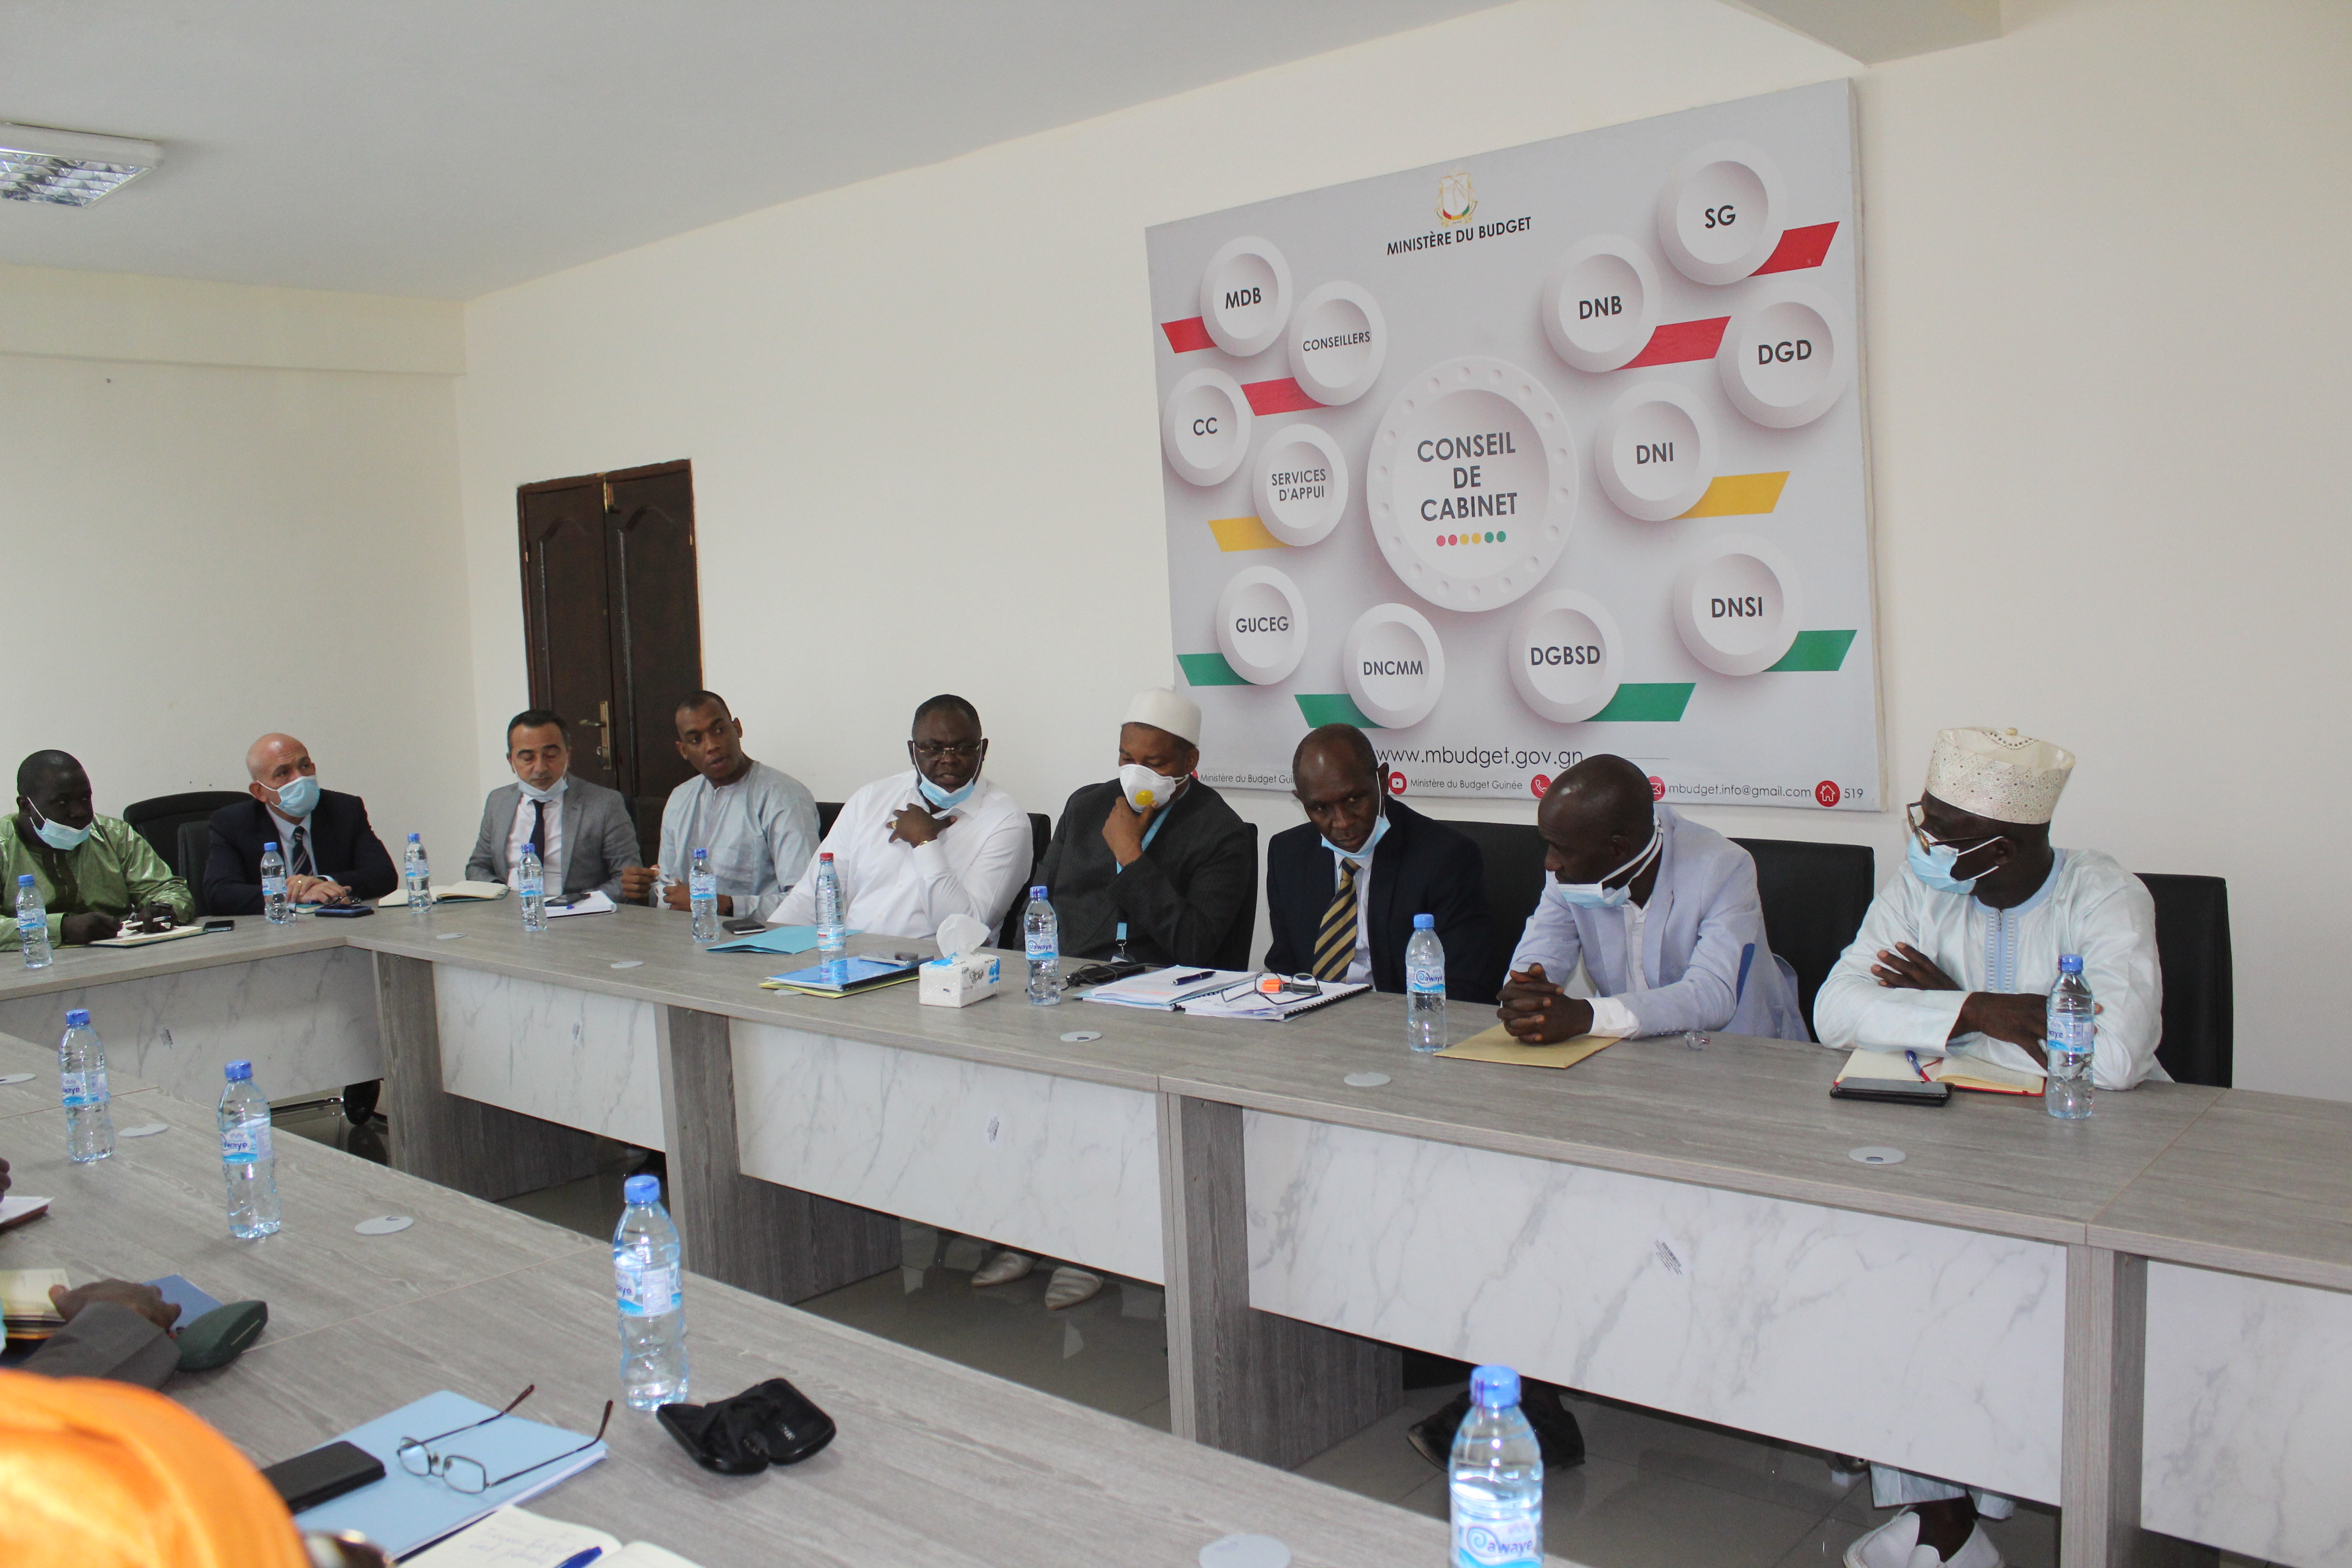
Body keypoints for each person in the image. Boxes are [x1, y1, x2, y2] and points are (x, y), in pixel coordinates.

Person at [1816, 726, 2161, 1568]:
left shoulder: (2104, 895)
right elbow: (1833, 1012)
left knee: (1997, 1296)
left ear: (2000, 848)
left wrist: (1944, 1017)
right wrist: (1977, 1011)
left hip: (2097, 1157)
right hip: (1951, 1141)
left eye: (1941, 831)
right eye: (1925, 821)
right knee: (1890, 1262)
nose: (1922, 842)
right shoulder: (1918, 888)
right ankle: (1941, 1515)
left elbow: (2110, 1059)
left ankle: (1966, 1513)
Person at [1494, 753, 1808, 1047]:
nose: (1550, 863)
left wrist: (1586, 1016)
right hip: (1627, 1049)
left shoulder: (1723, 868)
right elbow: (1542, 950)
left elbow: (1713, 994)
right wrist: (1527, 994)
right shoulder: (1568, 870)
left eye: (1561, 850)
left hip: (1738, 1053)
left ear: (1618, 848)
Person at [1263, 723, 1496, 1001]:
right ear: (1302, 801)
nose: (1343, 822)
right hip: (1314, 1018)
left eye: (1354, 800)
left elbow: (1465, 988)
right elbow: (1285, 970)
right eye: (1321, 808)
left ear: (1382, 781)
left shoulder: (1445, 859)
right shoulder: (1287, 854)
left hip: (1403, 1018)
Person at [769, 695, 1031, 941]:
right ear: (913, 752)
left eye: (963, 748)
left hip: (934, 967)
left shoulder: (1007, 823)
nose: (949, 759)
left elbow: (966, 931)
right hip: (848, 957)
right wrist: (767, 950)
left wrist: (925, 843)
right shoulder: (871, 799)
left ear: (982, 750)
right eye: (934, 748)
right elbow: (811, 898)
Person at [1032, 688, 1255, 968]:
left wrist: (1132, 858)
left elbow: (1196, 946)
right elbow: (1036, 904)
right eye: (1127, 759)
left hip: (1157, 980)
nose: (1137, 774)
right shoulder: (1084, 806)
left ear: (1190, 761)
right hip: (1069, 973)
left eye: (1154, 764)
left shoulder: (1220, 832)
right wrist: (1024, 969)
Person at [620, 691, 817, 922]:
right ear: (683, 751)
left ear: (738, 729)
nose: (712, 746)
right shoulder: (680, 799)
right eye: (696, 740)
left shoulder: (784, 797)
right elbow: (669, 891)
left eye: (720, 730)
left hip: (758, 937)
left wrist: (726, 905)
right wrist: (644, 893)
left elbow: (807, 902)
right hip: (685, 935)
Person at [3, 751, 192, 949]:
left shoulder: (115, 835)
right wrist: (61, 928)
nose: (79, 812)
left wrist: (164, 908)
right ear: (26, 806)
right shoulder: (4, 846)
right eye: (62, 802)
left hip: (120, 955)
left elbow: (169, 890)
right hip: (33, 960)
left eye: (85, 799)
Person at [205, 735, 398, 915]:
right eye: (283, 773)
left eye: (305, 766)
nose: (300, 778)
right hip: (273, 930)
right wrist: (292, 895)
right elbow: (219, 894)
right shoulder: (232, 823)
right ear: (260, 792)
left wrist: (322, 883)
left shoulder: (345, 809)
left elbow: (384, 875)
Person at [465, 709, 641, 902]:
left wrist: (582, 903)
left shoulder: (605, 803)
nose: (540, 768)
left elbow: (627, 880)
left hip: (579, 911)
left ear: (568, 755)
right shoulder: (498, 801)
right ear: (511, 761)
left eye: (550, 755)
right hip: (509, 908)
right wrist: (502, 897)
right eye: (527, 758)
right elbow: (478, 867)